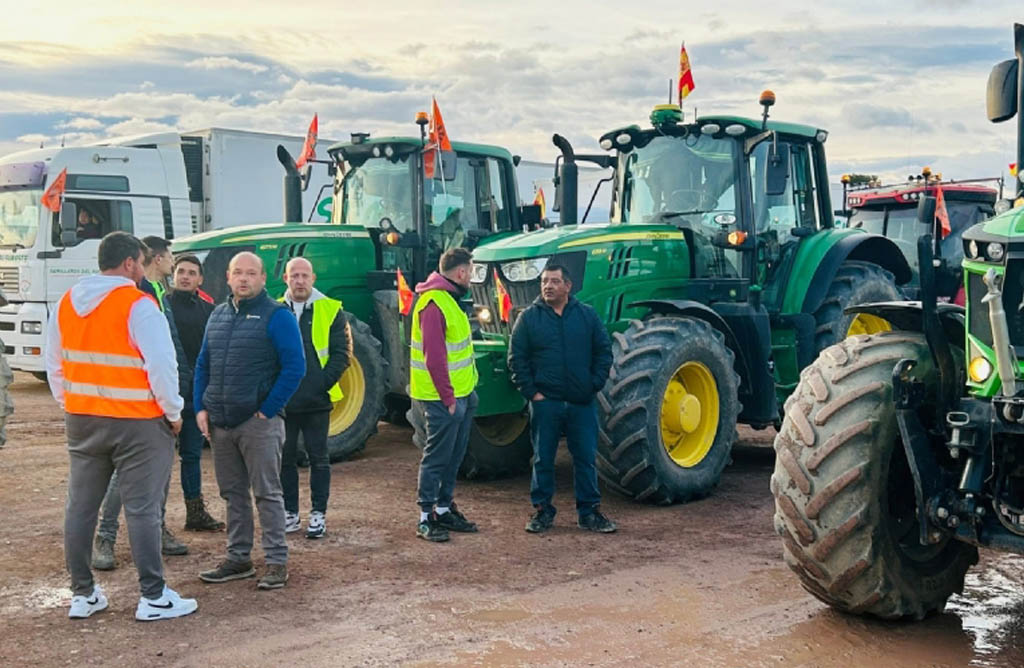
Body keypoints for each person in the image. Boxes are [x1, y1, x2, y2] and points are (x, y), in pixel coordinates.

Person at [45, 231, 198, 621]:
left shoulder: (66, 303)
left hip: (82, 421)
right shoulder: (139, 305)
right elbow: (163, 367)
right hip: (138, 423)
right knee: (143, 508)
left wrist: (73, 406)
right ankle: (153, 596)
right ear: (130, 263)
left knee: (80, 507)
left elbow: (54, 366)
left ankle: (83, 593)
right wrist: (174, 413)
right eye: (143, 263)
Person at [195, 251, 304, 590]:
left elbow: (295, 367)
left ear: (262, 279)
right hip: (221, 423)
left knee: (268, 494)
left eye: (251, 273)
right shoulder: (217, 316)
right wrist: (201, 407)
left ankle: (276, 562)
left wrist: (268, 409)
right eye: (237, 273)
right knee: (233, 494)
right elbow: (203, 365)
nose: (244, 278)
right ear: (228, 277)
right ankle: (238, 558)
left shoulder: (278, 316)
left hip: (258, 423)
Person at [91, 238, 190, 570]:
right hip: (134, 403)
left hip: (159, 396)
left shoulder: (157, 291)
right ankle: (104, 536)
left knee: (161, 472)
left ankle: (158, 530)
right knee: (124, 476)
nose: (173, 263)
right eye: (170, 257)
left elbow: (170, 347)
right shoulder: (138, 296)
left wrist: (178, 389)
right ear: (151, 259)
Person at [508, 263, 616, 534]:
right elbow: (516, 359)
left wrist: (593, 385)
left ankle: (589, 512)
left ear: (568, 286)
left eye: (554, 281)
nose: (548, 286)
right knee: (543, 458)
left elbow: (603, 352)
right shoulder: (529, 318)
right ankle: (542, 511)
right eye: (544, 281)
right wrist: (533, 393)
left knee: (585, 459)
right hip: (547, 403)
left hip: (581, 403)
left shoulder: (587, 316)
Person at [278, 257, 351, 539]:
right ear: (286, 279)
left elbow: (342, 354)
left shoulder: (331, 310)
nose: (299, 280)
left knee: (319, 459)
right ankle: (290, 513)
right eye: (294, 275)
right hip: (284, 400)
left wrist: (320, 385)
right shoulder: (274, 309)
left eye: (304, 275)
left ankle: (318, 514)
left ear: (313, 278)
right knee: (284, 460)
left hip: (317, 401)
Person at [410, 247, 479, 542]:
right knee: (437, 457)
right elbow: (434, 358)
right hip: (443, 399)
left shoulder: (450, 300)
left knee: (454, 456)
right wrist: (449, 399)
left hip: (463, 394)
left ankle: (443, 507)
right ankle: (426, 517)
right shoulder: (434, 303)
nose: (473, 277)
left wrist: (467, 393)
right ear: (461, 273)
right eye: (472, 271)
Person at [168, 254, 223, 531]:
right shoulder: (162, 306)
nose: (185, 277)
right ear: (173, 275)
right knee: (160, 461)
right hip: (167, 394)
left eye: (191, 272)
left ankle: (195, 513)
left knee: (191, 455)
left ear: (200, 279)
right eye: (181, 271)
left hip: (195, 395)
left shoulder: (208, 310)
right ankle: (156, 521)